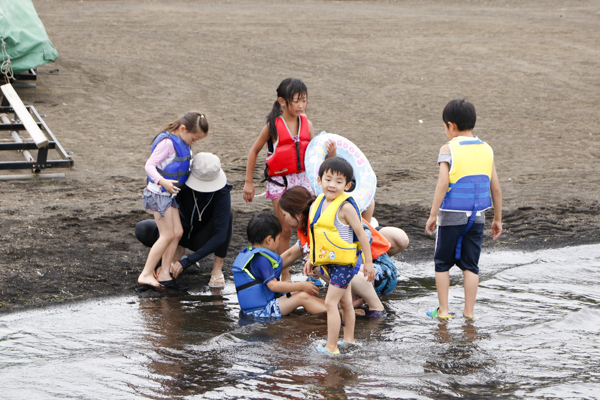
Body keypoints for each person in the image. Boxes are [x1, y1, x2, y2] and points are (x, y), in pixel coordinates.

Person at [425, 99, 503, 320]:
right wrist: (497, 219)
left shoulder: (448, 148)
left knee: (442, 264)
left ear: (450, 125)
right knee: (471, 266)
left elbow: (442, 184)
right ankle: (469, 313)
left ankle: (444, 311)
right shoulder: (487, 149)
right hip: (478, 216)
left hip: (450, 217)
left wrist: (433, 215)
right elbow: (495, 188)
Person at [279, 186, 409, 318]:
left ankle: (376, 307)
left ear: (298, 214)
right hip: (367, 275)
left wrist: (316, 256)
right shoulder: (309, 226)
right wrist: (263, 270)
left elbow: (364, 235)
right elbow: (289, 255)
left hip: (380, 274)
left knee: (320, 262)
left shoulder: (328, 218)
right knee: (318, 261)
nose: (284, 219)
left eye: (285, 215)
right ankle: (353, 300)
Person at [243, 78, 335, 261]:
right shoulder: (272, 126)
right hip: (280, 181)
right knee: (285, 228)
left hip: (303, 179)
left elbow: (313, 155)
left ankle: (314, 266)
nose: (301, 105)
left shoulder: (307, 125)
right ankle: (284, 274)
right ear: (282, 101)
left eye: (304, 100)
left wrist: (330, 155)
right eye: (296, 100)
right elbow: (253, 151)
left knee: (310, 223)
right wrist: (248, 182)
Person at [306, 157, 375, 354]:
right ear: (319, 180)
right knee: (344, 302)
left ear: (348, 185)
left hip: (345, 264)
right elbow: (315, 236)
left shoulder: (346, 207)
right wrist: (312, 260)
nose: (332, 185)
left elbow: (362, 234)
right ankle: (349, 341)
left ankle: (332, 347)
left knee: (330, 303)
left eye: (339, 181)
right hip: (330, 261)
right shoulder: (317, 204)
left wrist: (368, 263)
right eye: (328, 179)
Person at [136, 152, 233, 289]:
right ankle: (176, 250)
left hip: (200, 238)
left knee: (227, 217)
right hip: (178, 233)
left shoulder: (223, 191)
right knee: (143, 229)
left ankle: (217, 269)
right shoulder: (179, 183)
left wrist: (187, 262)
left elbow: (220, 236)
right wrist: (159, 265)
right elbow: (165, 217)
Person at [138, 111, 209, 290]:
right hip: (158, 194)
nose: (193, 143)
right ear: (183, 129)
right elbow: (149, 165)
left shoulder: (183, 142)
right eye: (193, 139)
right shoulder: (168, 143)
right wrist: (162, 181)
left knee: (177, 232)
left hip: (169, 195)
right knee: (167, 234)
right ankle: (146, 274)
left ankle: (163, 273)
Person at [232, 212, 326, 319]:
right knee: (302, 296)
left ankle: (332, 306)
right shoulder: (261, 259)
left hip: (256, 310)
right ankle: (335, 313)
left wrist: (301, 287)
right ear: (269, 239)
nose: (280, 240)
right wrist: (302, 285)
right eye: (278, 238)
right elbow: (274, 286)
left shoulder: (252, 255)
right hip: (262, 312)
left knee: (301, 293)